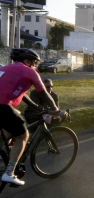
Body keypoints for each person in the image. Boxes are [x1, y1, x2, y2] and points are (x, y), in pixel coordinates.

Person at [0, 48, 62, 186]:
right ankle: (9, 173)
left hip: (2, 106)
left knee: (11, 127)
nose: (35, 66)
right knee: (23, 136)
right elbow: (45, 94)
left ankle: (4, 154)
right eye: (34, 63)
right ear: (26, 61)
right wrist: (56, 110)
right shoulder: (29, 71)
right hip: (2, 105)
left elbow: (22, 94)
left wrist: (36, 107)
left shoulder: (7, 68)